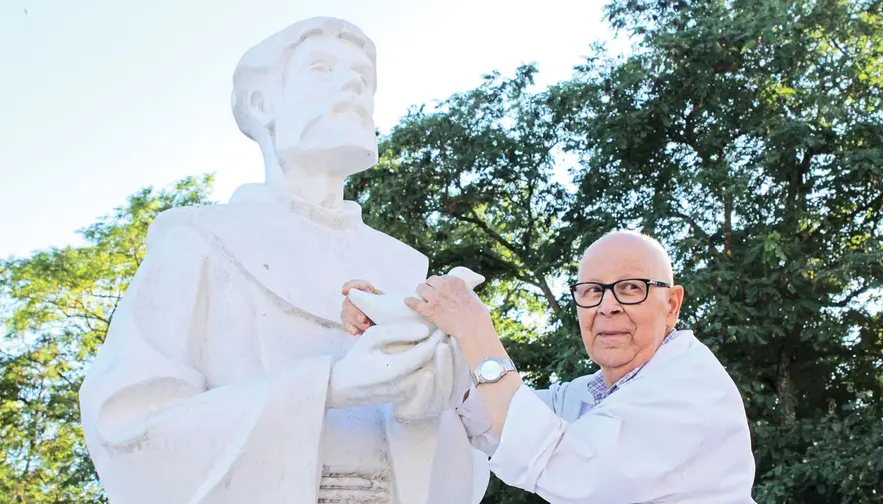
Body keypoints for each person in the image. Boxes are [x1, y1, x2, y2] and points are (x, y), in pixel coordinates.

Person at [79, 17, 488, 504]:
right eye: (321, 68)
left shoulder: (401, 266)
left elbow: (470, 433)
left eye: (363, 77)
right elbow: (128, 426)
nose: (353, 85)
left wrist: (439, 382)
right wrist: (327, 387)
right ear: (260, 102)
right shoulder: (198, 241)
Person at [341, 230, 757, 503]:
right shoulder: (594, 392)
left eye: (631, 288)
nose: (607, 306)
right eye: (591, 291)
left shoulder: (688, 389)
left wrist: (474, 330)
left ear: (672, 304)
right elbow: (494, 418)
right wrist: (398, 320)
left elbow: (571, 468)